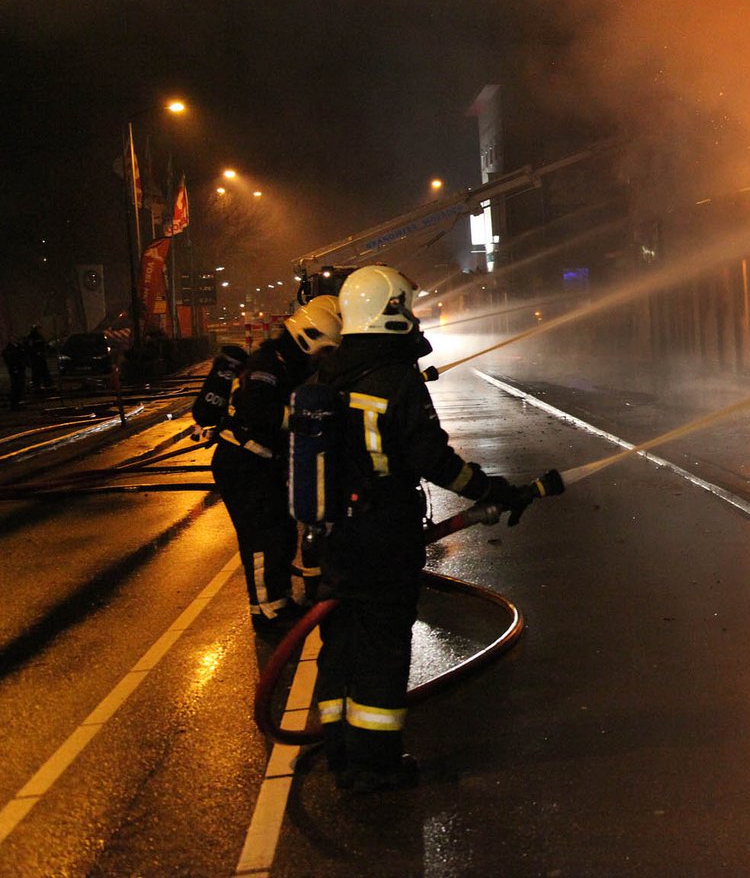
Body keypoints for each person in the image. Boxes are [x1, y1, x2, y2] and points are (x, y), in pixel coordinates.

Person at [312, 264, 562, 793]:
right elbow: (436, 461)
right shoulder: (394, 378)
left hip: (332, 534)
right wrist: (491, 490)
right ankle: (375, 765)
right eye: (406, 306)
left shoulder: (328, 375)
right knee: (382, 645)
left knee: (341, 640)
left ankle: (337, 745)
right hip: (382, 535)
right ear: (391, 312)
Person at [213, 296, 342, 637]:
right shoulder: (267, 365)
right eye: (324, 350)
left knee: (282, 533)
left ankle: (280, 600)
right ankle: (267, 613)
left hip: (261, 462)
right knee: (261, 539)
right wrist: (300, 421)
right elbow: (258, 411)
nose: (323, 358)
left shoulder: (287, 363)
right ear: (308, 338)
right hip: (242, 462)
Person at [24, 326, 51, 393]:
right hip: (35, 359)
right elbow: (28, 348)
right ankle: (38, 385)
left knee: (43, 371)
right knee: (37, 372)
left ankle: (45, 384)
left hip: (40, 358)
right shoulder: (32, 337)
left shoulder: (39, 337)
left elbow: (44, 346)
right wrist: (35, 353)